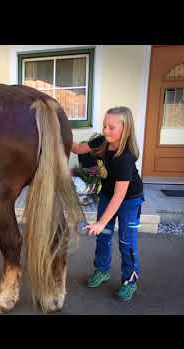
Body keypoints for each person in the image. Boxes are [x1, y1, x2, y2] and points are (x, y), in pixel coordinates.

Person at [71, 106, 144, 302]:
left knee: (126, 242)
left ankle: (130, 281)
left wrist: (101, 222)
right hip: (107, 195)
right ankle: (102, 270)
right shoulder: (100, 141)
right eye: (104, 126)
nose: (105, 131)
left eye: (111, 127)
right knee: (103, 237)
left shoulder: (124, 158)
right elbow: (77, 149)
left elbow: (119, 197)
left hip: (129, 200)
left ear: (125, 128)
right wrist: (59, 128)